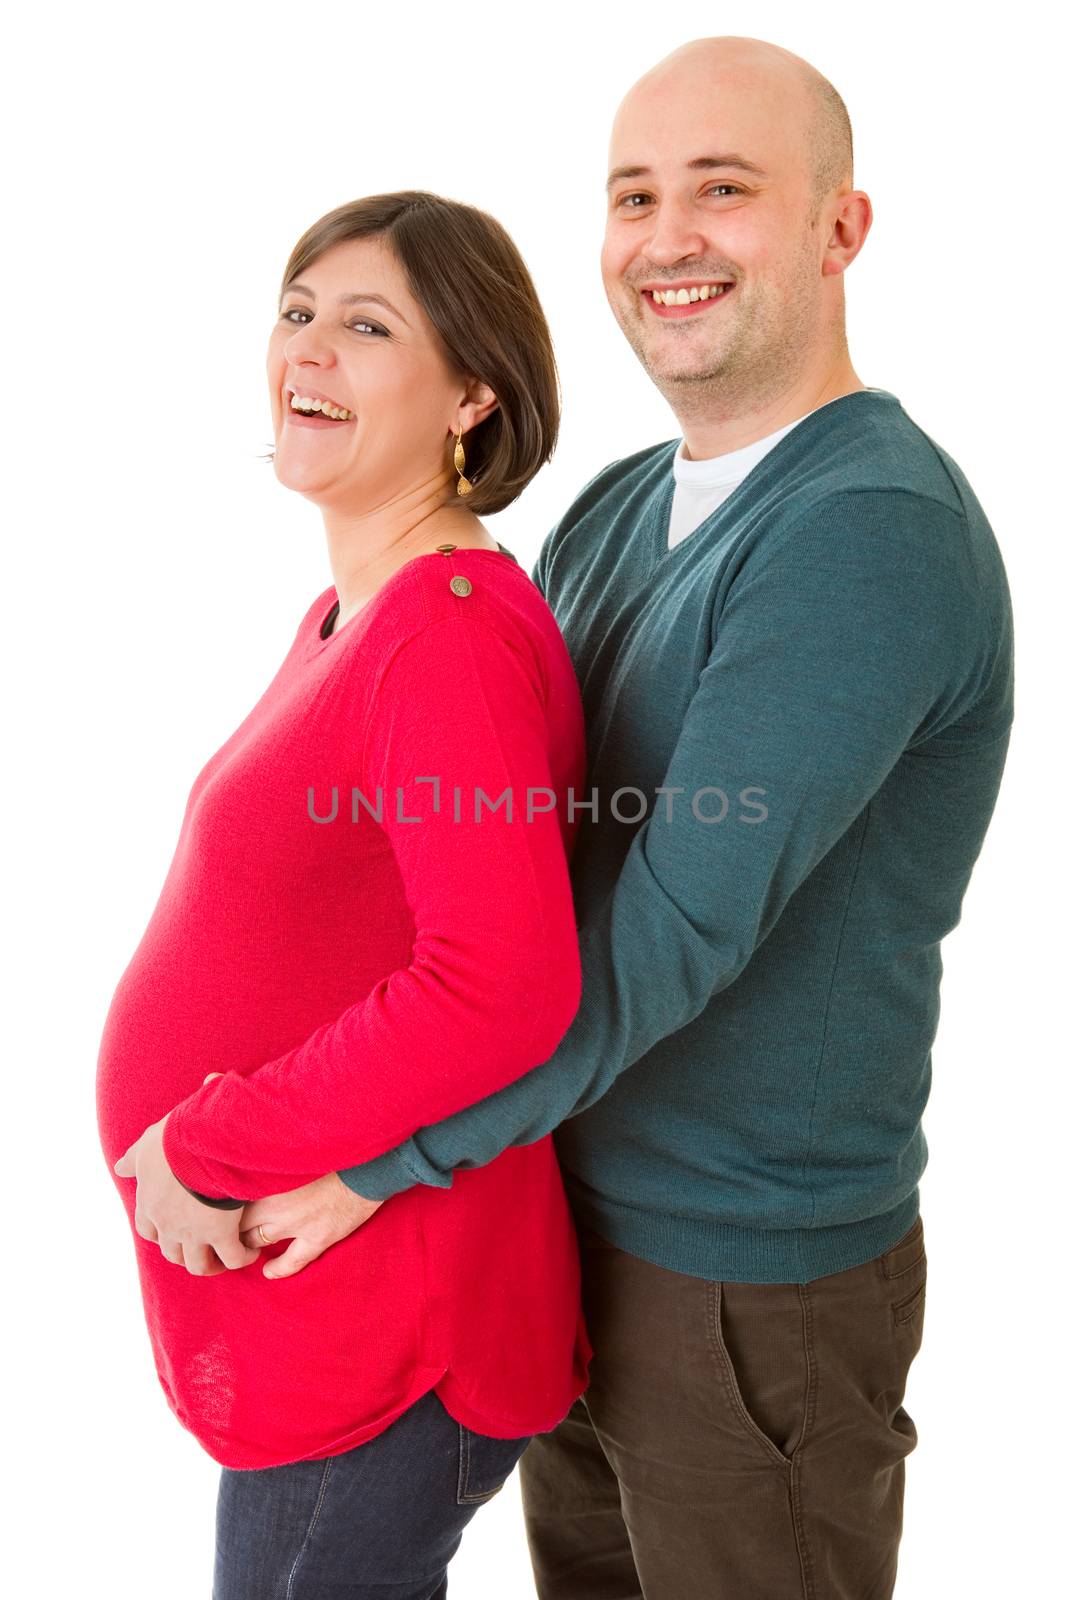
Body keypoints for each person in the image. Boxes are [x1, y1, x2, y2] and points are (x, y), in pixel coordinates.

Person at [236, 35, 1016, 1600]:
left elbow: (675, 930)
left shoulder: (864, 530)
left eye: (723, 191)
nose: (669, 236)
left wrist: (382, 1152)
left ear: (838, 228)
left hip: (741, 1277)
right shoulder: (613, 507)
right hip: (556, 1221)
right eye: (634, 195)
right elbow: (496, 862)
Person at [96, 190, 595, 1599]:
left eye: (367, 327)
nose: (308, 350)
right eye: (298, 311)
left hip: (391, 1324)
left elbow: (500, 983)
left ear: (471, 395)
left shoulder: (443, 639)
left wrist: (214, 1139)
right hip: (321, 1315)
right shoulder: (350, 613)